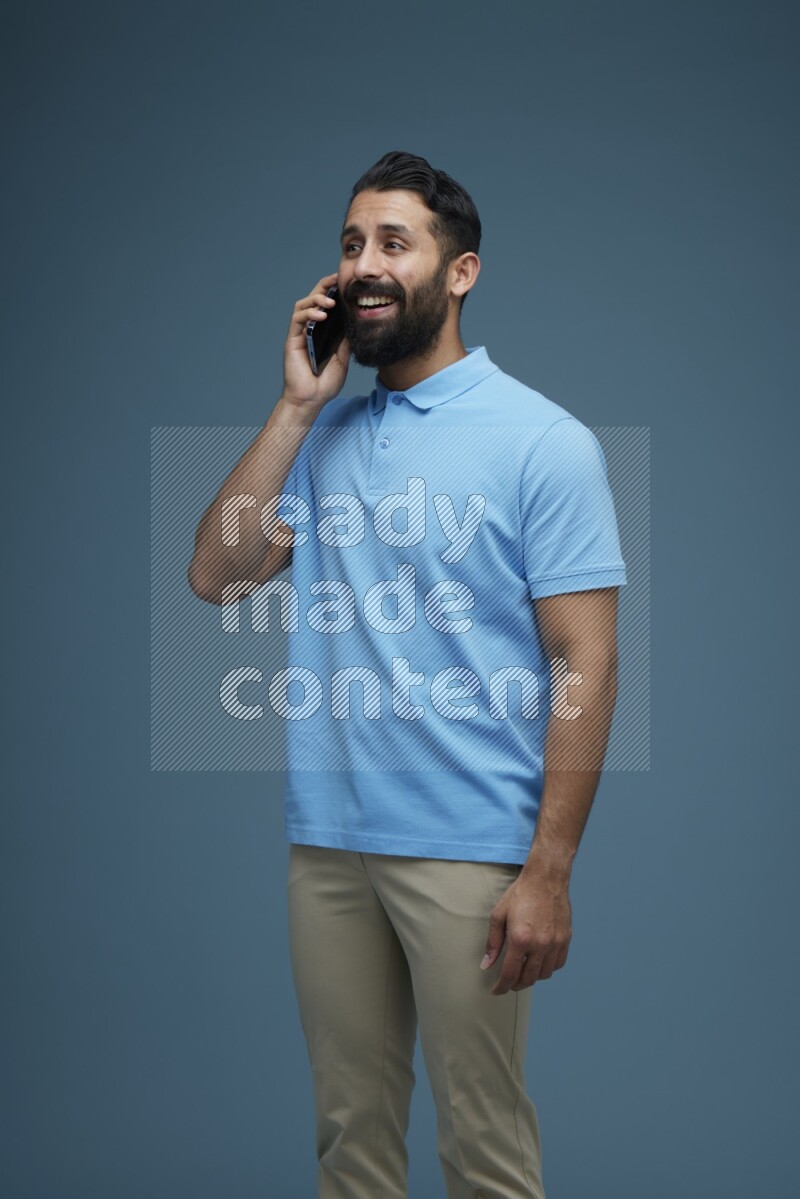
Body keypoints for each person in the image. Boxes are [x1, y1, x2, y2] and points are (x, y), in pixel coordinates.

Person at [188, 150, 627, 1199]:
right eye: (349, 243)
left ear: (458, 271)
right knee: (350, 1140)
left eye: (393, 241)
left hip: (471, 848)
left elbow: (586, 659)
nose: (362, 264)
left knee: (481, 1151)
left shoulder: (542, 442)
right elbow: (216, 572)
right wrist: (295, 408)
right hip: (329, 842)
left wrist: (548, 870)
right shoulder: (326, 434)